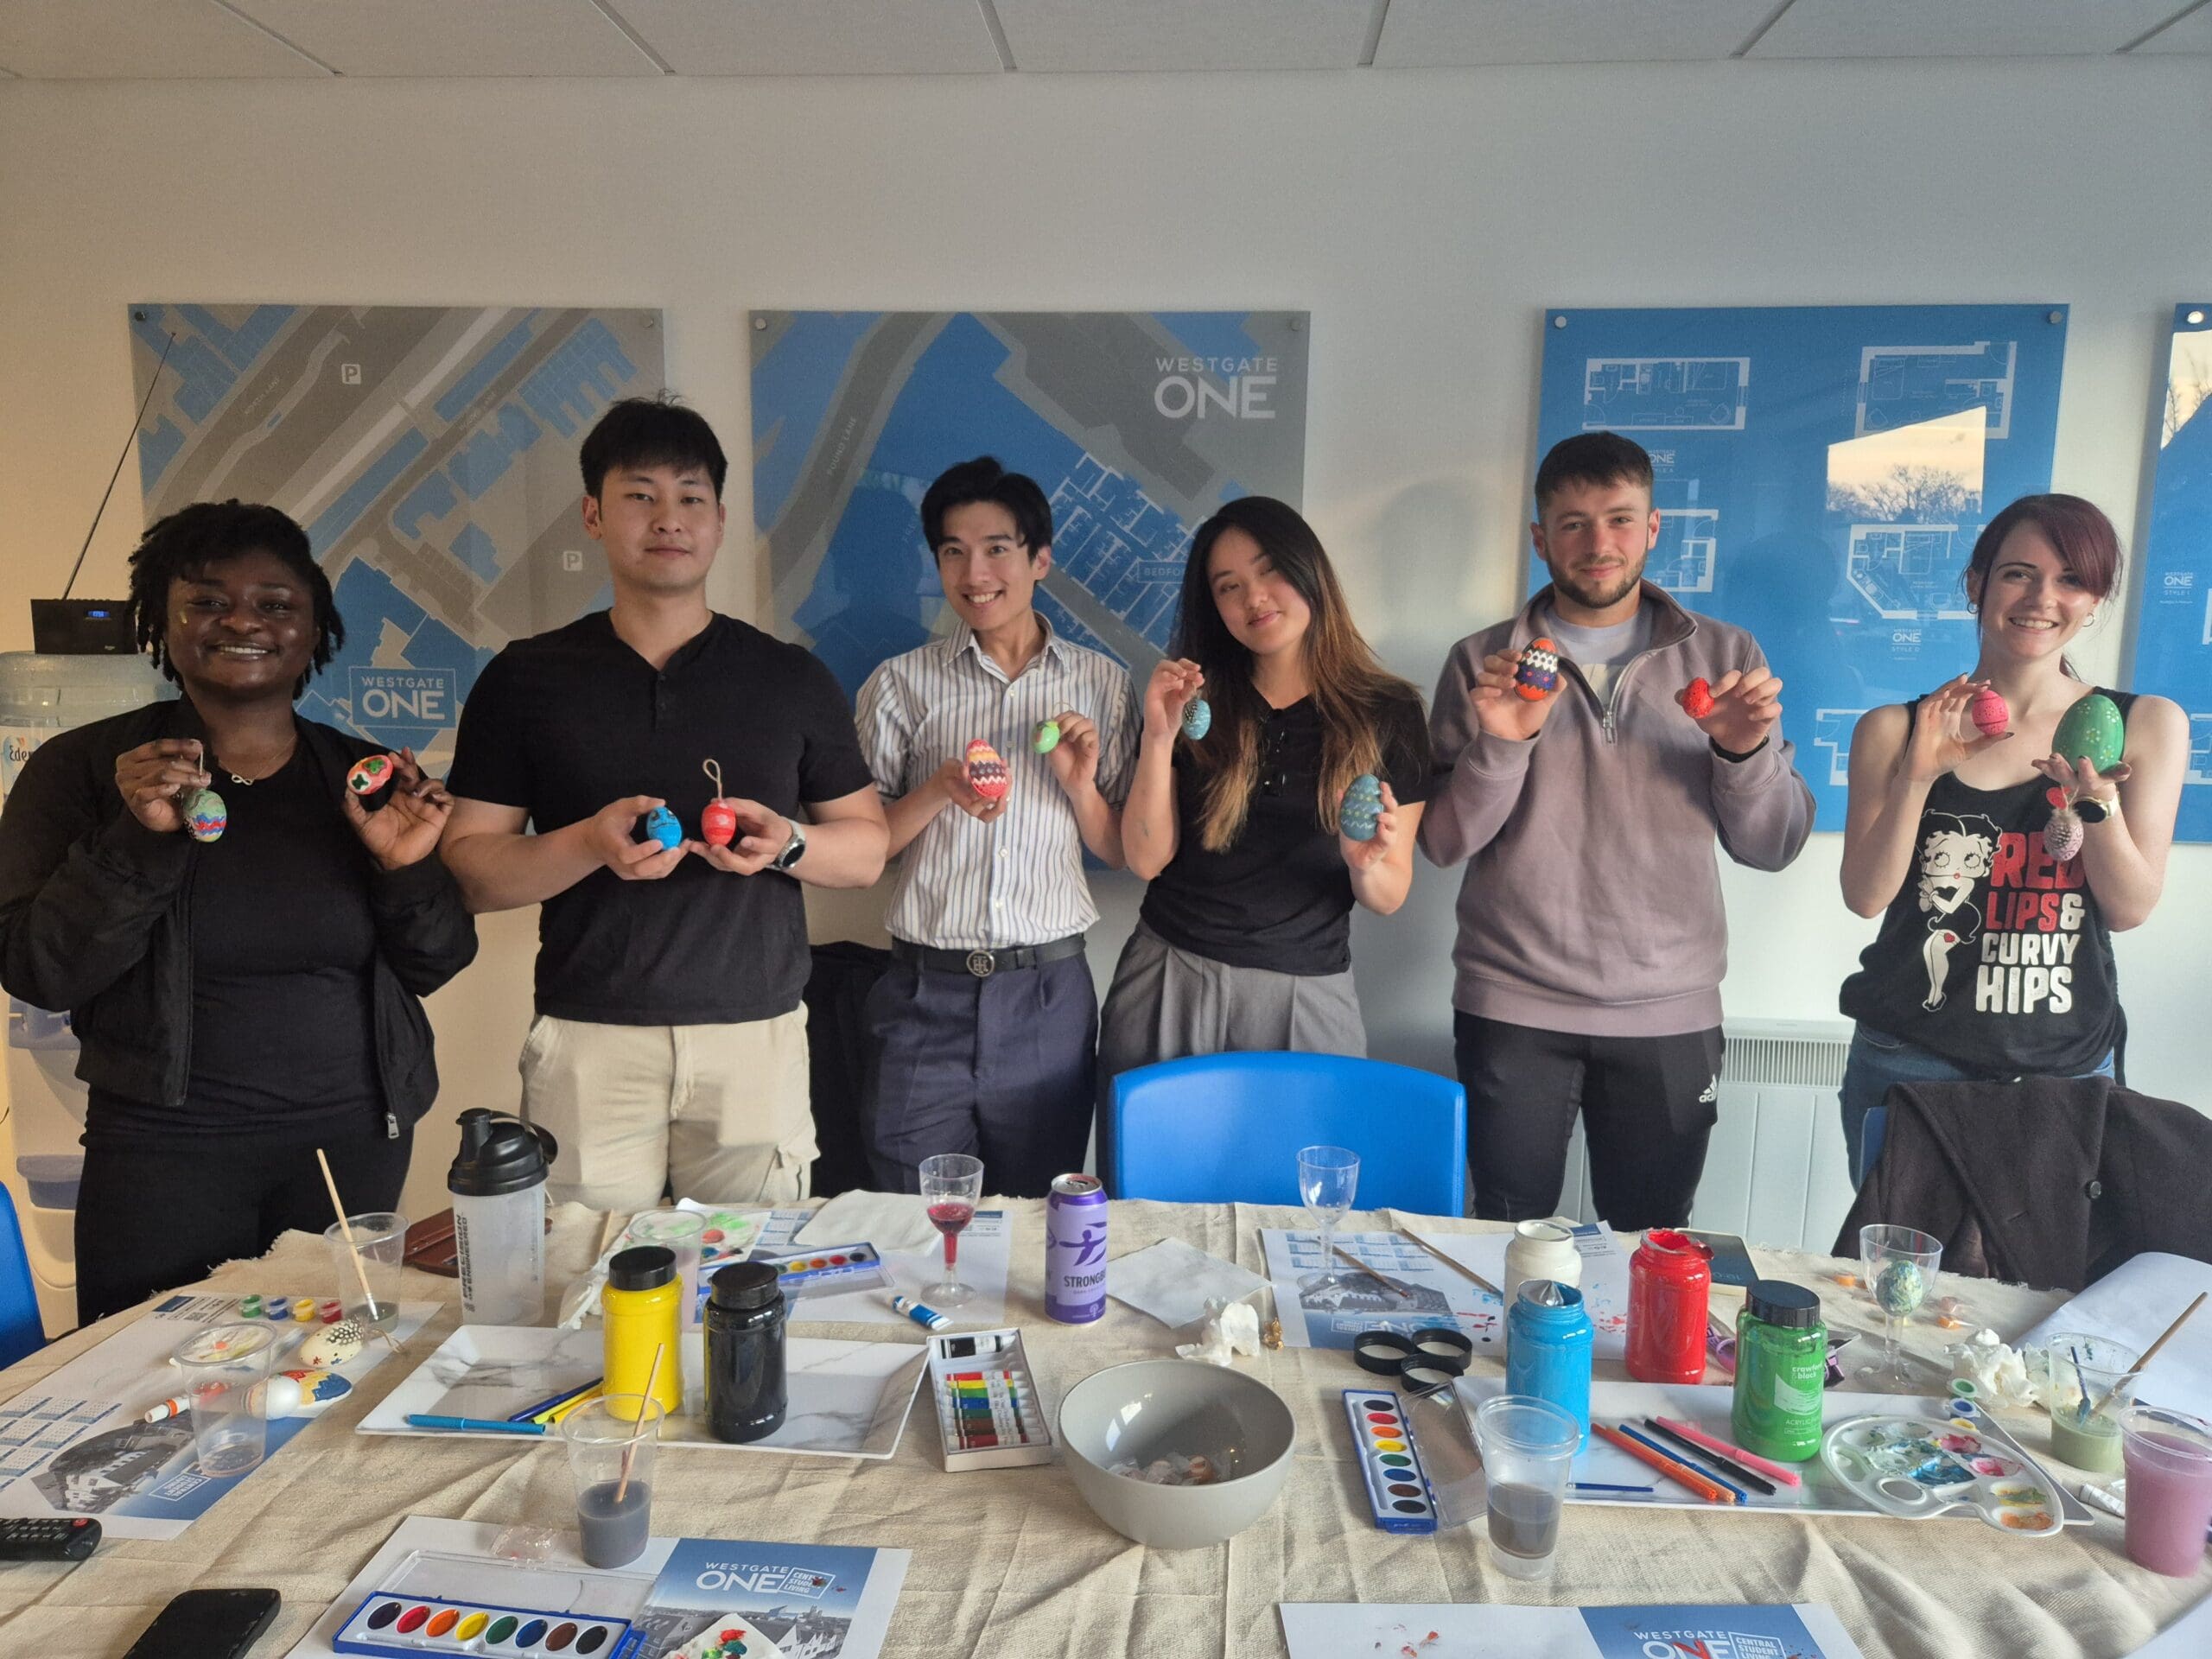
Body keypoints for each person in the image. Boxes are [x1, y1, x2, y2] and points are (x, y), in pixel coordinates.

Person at [0, 501, 476, 1323]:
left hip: (349, 1146)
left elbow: (436, 959)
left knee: (337, 1368)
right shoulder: (82, 771)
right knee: (154, 1378)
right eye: (208, 602)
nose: (243, 622)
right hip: (161, 1157)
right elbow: (40, 971)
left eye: (274, 603)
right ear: (163, 622)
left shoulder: (362, 777)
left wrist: (405, 870)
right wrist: (137, 838)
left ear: (313, 627)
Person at [440, 398, 887, 1212]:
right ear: (593, 515)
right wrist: (587, 843)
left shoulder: (789, 677)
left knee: (751, 1272)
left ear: (719, 521)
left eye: (690, 497)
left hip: (754, 1037)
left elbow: (866, 850)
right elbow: (472, 870)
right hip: (590, 1039)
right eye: (640, 495)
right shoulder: (526, 678)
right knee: (580, 1274)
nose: (668, 519)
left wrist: (787, 843)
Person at [1421, 431, 1815, 1229]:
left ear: (1653, 528)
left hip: (1671, 1011)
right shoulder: (1483, 663)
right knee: (1508, 1236)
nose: (1598, 544)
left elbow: (1771, 846)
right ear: (1541, 539)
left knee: (1651, 1246)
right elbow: (1443, 841)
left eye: (1620, 519)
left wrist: (1742, 753)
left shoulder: (1725, 655)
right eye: (1573, 524)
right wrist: (1506, 741)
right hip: (1513, 1004)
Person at [1835, 493, 2184, 1184]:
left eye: (2071, 580)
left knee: (2046, 1258)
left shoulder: (2143, 724)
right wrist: (1918, 776)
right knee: (1902, 1256)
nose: (2042, 599)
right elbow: (1865, 896)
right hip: (1909, 1057)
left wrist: (2096, 805)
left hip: (2063, 1070)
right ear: (1977, 584)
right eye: (2019, 573)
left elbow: (2129, 908)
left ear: (2095, 600)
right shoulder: (1895, 729)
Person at [854, 458, 1137, 1197]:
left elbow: (1119, 849)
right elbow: (863, 849)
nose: (974, 573)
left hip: (1046, 993)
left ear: (1039, 559)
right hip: (923, 994)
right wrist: (939, 789)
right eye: (953, 551)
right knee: (913, 1215)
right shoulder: (899, 684)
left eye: (997, 549)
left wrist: (1080, 784)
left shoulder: (1103, 685)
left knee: (1035, 1216)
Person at [1098, 496, 1430, 1082]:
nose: (1254, 598)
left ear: (1309, 569)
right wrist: (1157, 737)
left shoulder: (1388, 711)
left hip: (1305, 995)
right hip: (1169, 976)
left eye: (1270, 569)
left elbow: (1388, 895)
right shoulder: (1192, 701)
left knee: (1309, 1146)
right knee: (1151, 1147)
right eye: (1228, 587)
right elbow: (1146, 859)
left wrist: (1364, 863)